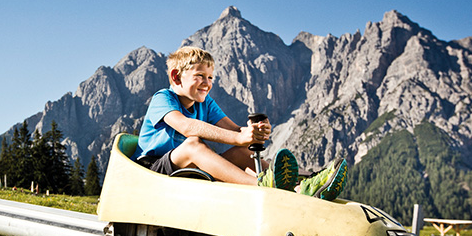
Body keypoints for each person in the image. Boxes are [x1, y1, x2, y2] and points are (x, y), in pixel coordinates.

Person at [133, 46, 346, 200]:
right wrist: (238, 137)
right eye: (200, 76)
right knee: (193, 144)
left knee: (242, 151)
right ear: (176, 77)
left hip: (186, 170)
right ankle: (263, 186)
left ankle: (303, 184)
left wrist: (253, 134)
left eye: (210, 77)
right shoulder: (163, 98)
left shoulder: (206, 103)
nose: (207, 83)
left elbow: (235, 131)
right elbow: (187, 127)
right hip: (152, 171)